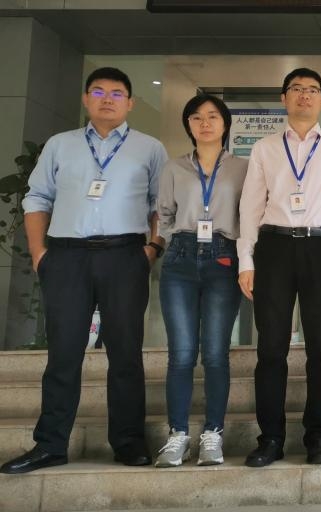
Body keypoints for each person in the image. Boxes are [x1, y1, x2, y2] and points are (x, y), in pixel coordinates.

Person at [1, 67, 168, 474]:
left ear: (130, 102)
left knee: (125, 353)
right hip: (66, 257)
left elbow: (161, 205)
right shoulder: (61, 145)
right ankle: (50, 444)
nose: (107, 99)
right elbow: (37, 197)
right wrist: (40, 254)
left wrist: (151, 249)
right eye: (98, 91)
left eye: (117, 93)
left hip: (125, 255)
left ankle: (128, 441)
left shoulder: (149, 148)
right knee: (63, 353)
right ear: (85, 99)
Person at [237, 67, 321, 467]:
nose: (304, 95)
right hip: (273, 246)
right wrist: (246, 259)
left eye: (312, 90)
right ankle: (270, 438)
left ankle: (318, 435)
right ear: (284, 98)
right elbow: (250, 207)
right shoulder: (265, 148)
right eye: (296, 89)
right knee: (270, 348)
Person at [153, 94, 246, 467]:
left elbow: (249, 215)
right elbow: (164, 214)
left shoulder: (243, 167)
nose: (204, 123)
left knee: (215, 353)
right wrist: (176, 240)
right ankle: (177, 434)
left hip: (224, 255)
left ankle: (212, 434)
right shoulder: (173, 167)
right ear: (188, 125)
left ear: (225, 123)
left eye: (212, 116)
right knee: (181, 354)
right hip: (180, 256)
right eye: (196, 117)